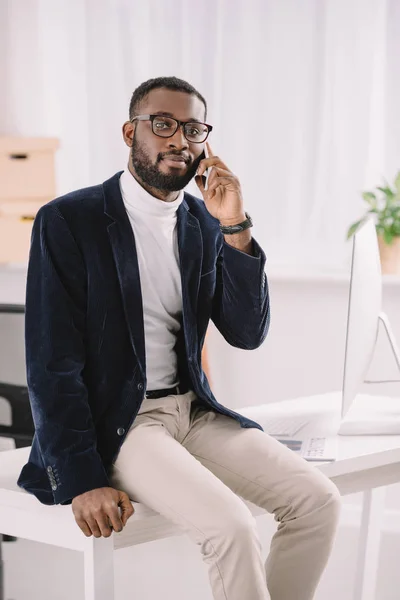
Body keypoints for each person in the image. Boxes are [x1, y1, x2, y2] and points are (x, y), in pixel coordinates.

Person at [17, 76, 340, 600]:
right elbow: (51, 361)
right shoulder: (69, 220)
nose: (179, 141)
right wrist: (81, 478)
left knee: (318, 501)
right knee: (231, 527)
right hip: (122, 424)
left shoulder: (202, 222)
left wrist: (235, 226)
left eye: (193, 129)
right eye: (162, 125)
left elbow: (246, 332)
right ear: (130, 133)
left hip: (191, 412)